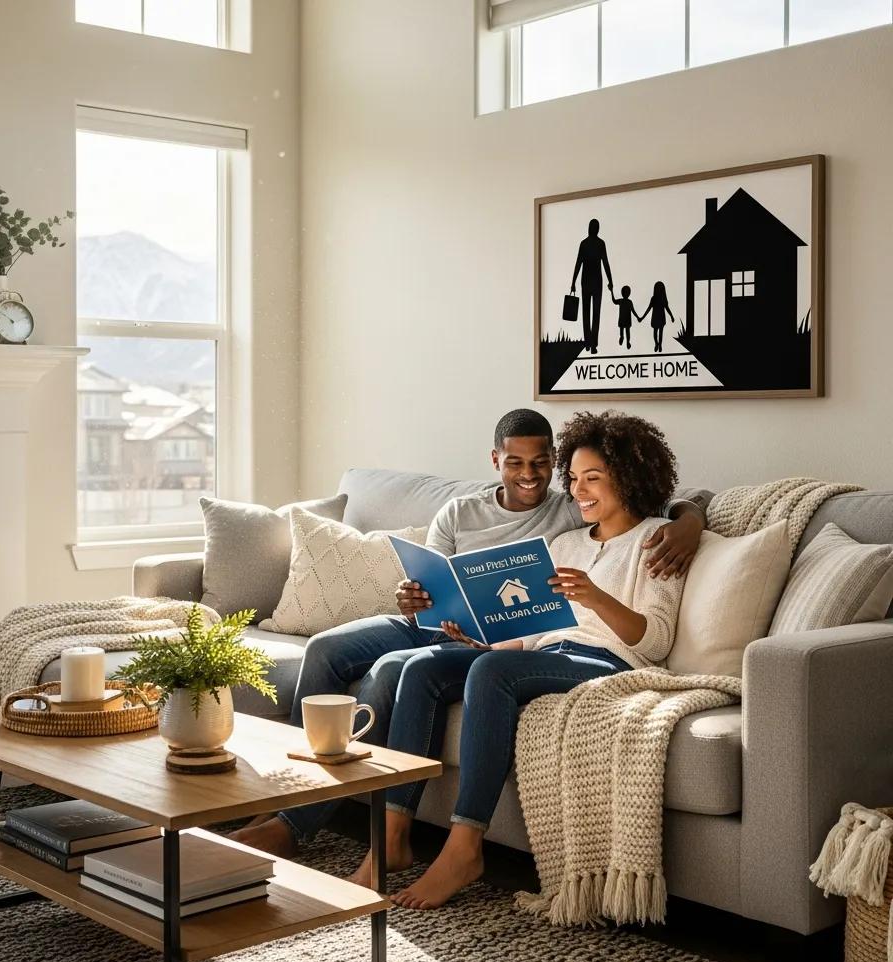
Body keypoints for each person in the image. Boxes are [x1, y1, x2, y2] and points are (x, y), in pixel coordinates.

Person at [229, 409, 709, 858]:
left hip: (503, 642)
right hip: (436, 627)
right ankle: (282, 795)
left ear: (553, 462)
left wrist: (690, 522)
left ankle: (330, 825)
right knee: (323, 648)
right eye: (516, 462)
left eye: (543, 463)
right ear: (495, 460)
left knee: (396, 670)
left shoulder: (575, 511)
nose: (531, 475)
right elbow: (432, 585)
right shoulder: (469, 514)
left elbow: (665, 502)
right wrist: (413, 600)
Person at [346, 411, 688, 909]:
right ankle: (392, 837)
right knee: (422, 670)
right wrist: (482, 638)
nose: (578, 491)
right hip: (548, 654)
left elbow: (654, 642)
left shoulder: (656, 541)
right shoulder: (565, 542)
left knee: (492, 673)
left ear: (627, 478)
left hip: (612, 661)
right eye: (574, 478)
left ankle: (464, 848)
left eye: (593, 478)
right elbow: (537, 631)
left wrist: (596, 598)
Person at [570, 219, 613, 354]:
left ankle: (588, 342)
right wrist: (610, 281)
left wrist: (573, 282)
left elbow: (578, 263)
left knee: (586, 312)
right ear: (598, 229)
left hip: (585, 281)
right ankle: (593, 344)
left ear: (589, 228)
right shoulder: (601, 244)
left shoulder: (584, 244)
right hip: (597, 282)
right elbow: (605, 263)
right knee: (596, 313)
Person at [641, 281, 675, 353]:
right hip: (656, 318)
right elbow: (648, 309)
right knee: (655, 333)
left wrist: (671, 316)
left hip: (661, 317)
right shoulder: (653, 298)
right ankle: (656, 343)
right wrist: (642, 318)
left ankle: (660, 345)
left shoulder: (663, 298)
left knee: (660, 333)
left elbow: (667, 308)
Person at [609, 284, 641, 349]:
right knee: (623, 331)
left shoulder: (628, 302)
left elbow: (633, 311)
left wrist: (638, 317)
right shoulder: (623, 301)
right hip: (623, 319)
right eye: (625, 292)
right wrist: (611, 291)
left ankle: (627, 341)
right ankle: (623, 338)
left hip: (626, 319)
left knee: (627, 331)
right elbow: (614, 301)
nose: (626, 294)